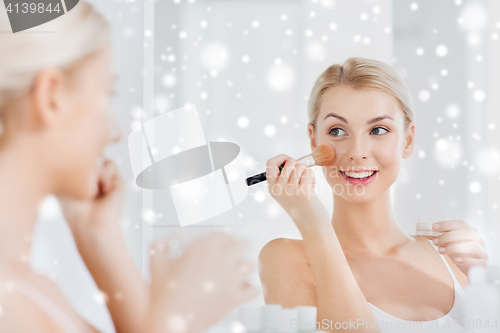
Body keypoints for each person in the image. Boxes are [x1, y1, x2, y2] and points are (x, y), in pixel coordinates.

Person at [0, 2, 258, 333]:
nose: (114, 132)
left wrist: (98, 237)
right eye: (108, 94)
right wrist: (177, 320)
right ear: (52, 97)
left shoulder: (28, 284)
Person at [258, 57, 488, 332]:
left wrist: (488, 285)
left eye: (378, 130)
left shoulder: (450, 255)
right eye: (337, 131)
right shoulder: (285, 258)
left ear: (408, 139)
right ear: (313, 140)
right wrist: (312, 222)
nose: (357, 151)